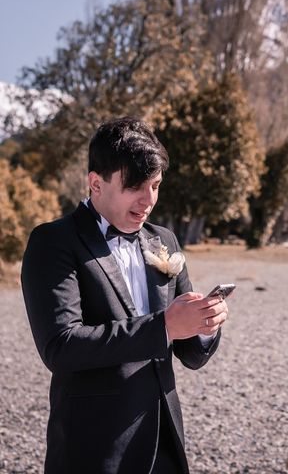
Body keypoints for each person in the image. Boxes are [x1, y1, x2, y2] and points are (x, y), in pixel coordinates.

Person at [21, 117, 228, 474]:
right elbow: (61, 345)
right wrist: (163, 326)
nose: (148, 200)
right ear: (95, 184)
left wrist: (205, 326)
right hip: (94, 449)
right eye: (135, 186)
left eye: (156, 185)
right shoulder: (53, 242)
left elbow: (190, 355)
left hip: (165, 443)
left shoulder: (164, 240)